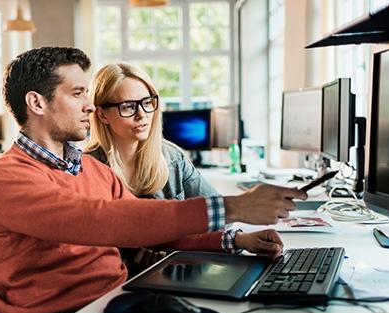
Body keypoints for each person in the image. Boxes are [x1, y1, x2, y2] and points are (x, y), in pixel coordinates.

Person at [0, 47, 307, 313]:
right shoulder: (5, 178)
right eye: (77, 94)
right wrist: (235, 206)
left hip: (121, 296)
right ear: (37, 103)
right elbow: (98, 221)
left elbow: (156, 227)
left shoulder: (91, 169)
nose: (90, 106)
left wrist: (236, 240)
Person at [85, 62, 282, 277]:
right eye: (128, 107)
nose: (142, 114)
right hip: (129, 282)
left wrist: (239, 238)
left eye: (147, 102)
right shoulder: (88, 170)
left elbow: (217, 219)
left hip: (177, 269)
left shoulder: (171, 157)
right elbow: (137, 245)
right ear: (103, 114)